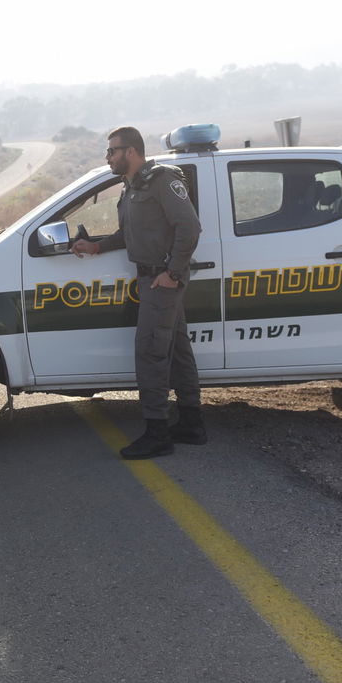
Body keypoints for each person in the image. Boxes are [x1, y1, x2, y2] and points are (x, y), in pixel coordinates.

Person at [71, 126, 205, 458]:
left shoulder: (160, 180)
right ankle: (191, 422)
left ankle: (157, 432)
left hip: (162, 281)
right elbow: (128, 234)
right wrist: (96, 246)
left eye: (112, 151)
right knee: (176, 349)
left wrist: (172, 273)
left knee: (150, 353)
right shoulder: (132, 186)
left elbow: (189, 226)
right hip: (151, 279)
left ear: (131, 151)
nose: (108, 157)